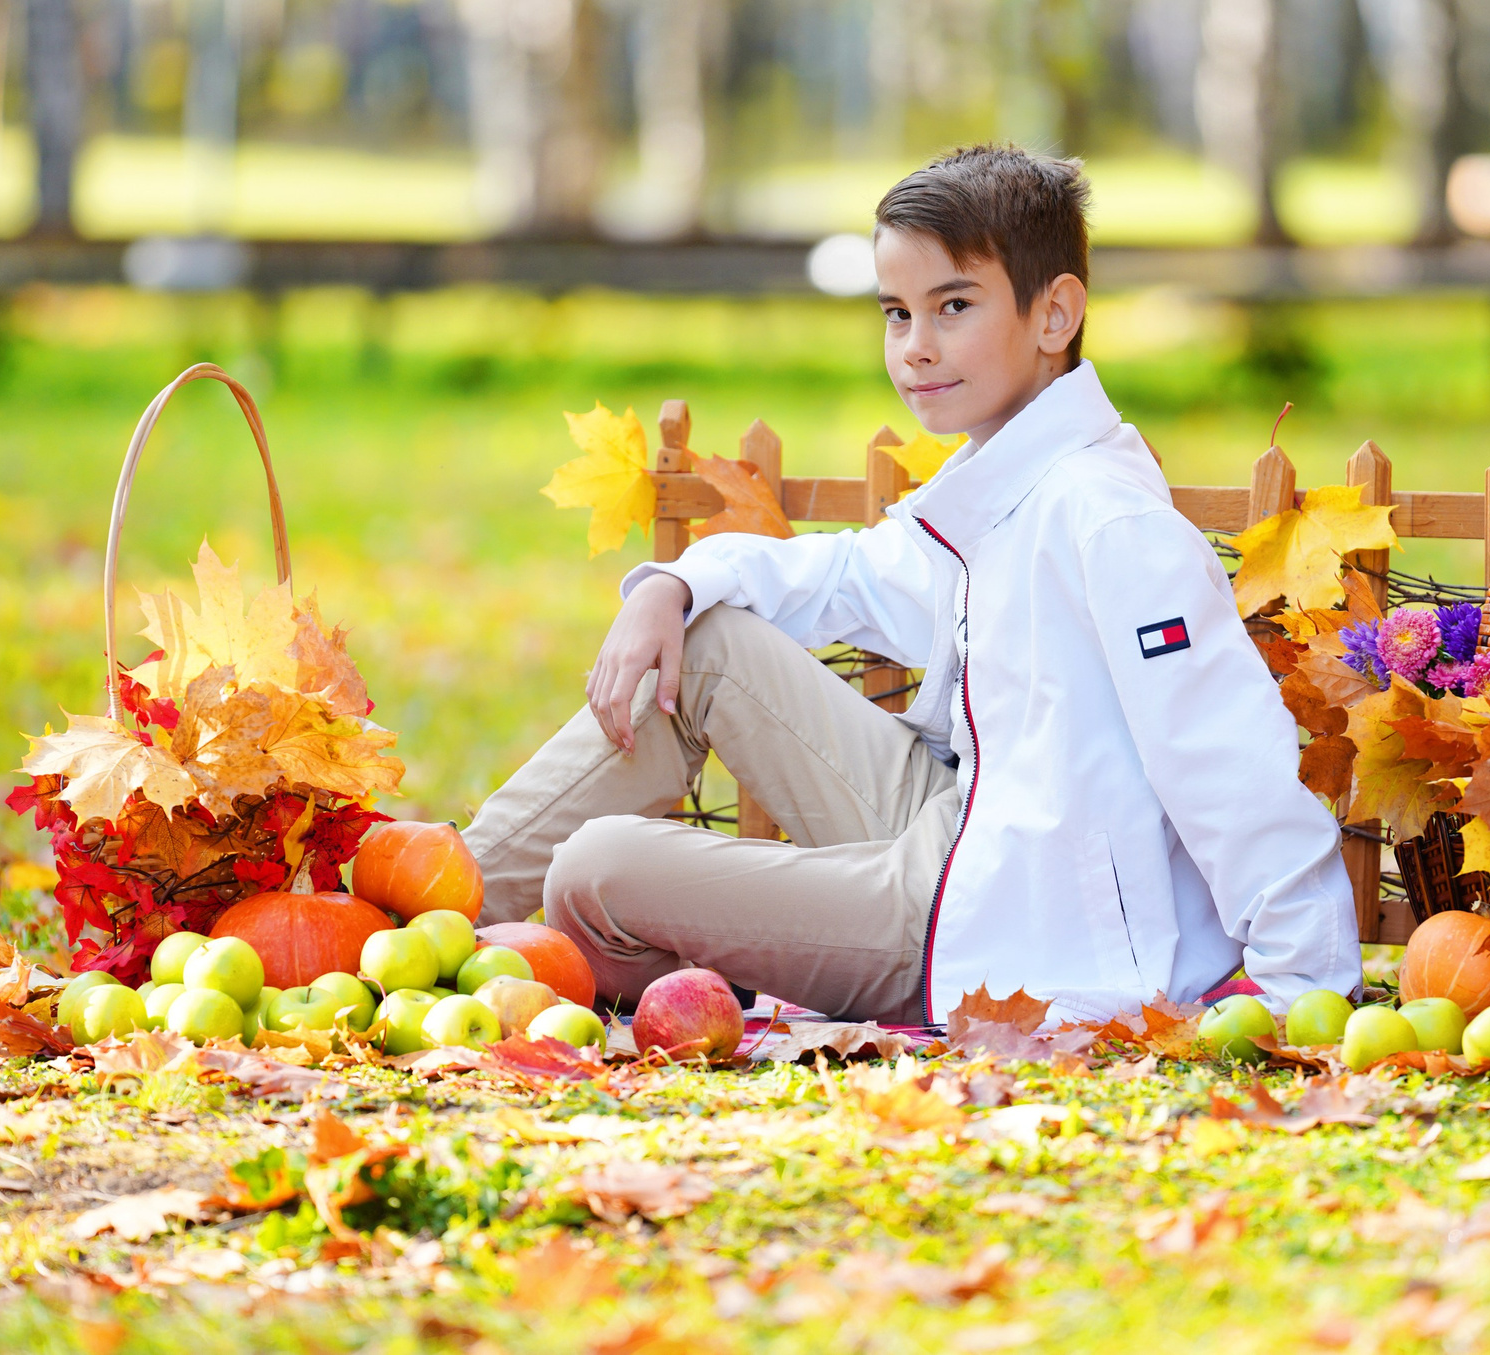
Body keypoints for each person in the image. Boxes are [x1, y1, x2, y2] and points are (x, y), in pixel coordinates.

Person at [467, 145, 1361, 1023]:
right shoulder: (996, 492)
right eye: (898, 313)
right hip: (951, 827)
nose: (916, 349)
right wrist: (670, 584)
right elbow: (837, 573)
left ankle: (588, 961)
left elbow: (1225, 761)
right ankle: (430, 909)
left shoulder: (1108, 524)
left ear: (1055, 316)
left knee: (594, 870)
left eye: (954, 307)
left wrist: (1307, 993)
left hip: (1005, 930)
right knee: (703, 636)